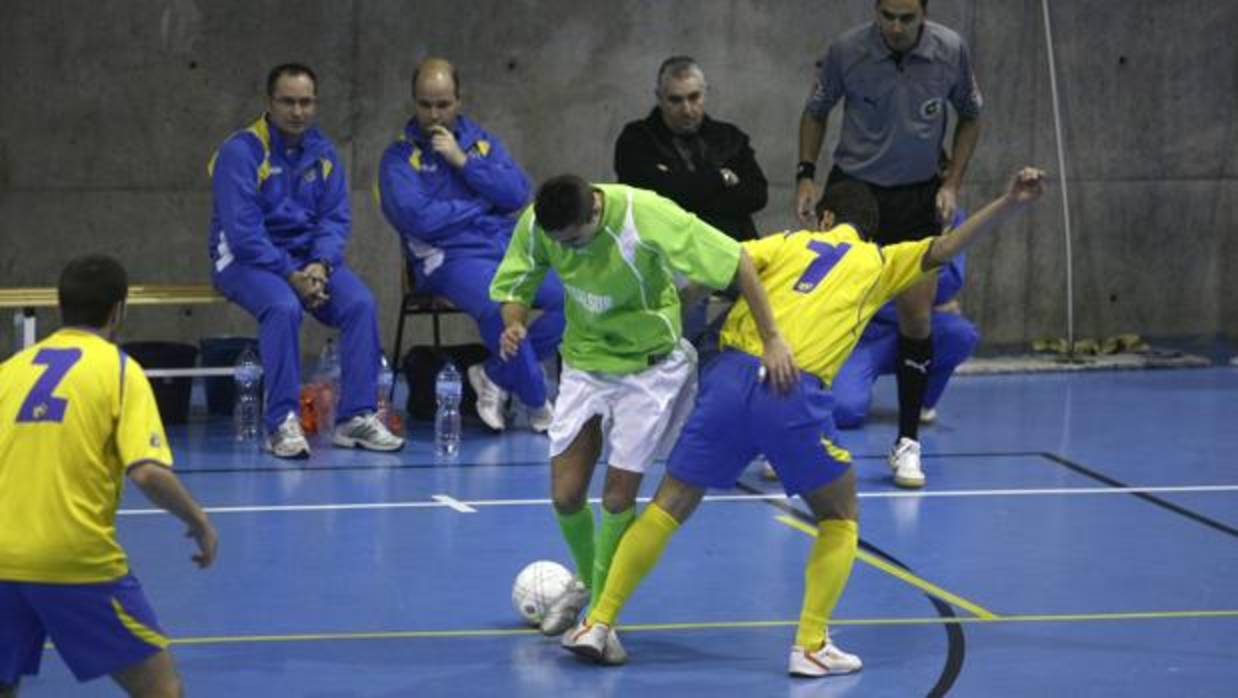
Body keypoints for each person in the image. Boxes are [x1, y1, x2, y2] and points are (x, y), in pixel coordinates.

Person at [562, 167, 1045, 674]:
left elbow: (714, 272)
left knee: (669, 504)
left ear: (826, 217)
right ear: (867, 228)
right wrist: (1010, 200)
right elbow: (944, 250)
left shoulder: (786, 242)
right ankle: (811, 645)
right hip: (791, 388)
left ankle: (598, 621)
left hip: (726, 378)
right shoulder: (880, 260)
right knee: (840, 516)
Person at [490, 175, 795, 649]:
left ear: (593, 210)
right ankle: (591, 584)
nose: (566, 252)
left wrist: (773, 337)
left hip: (649, 371)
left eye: (573, 241)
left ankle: (598, 614)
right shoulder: (540, 222)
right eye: (558, 244)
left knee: (616, 498)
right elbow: (517, 281)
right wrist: (513, 324)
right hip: (586, 363)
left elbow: (738, 260)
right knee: (566, 494)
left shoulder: (647, 214)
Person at [0, 255, 219, 697]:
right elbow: (147, 472)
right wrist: (199, 522)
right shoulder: (120, 370)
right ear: (118, 311)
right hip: (74, 560)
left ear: (61, 308)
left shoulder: (10, 371)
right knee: (161, 688)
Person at [794, 0, 983, 487]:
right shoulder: (846, 51)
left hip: (916, 196)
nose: (896, 28)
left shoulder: (950, 51)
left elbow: (970, 116)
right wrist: (805, 177)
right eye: (887, 17)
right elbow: (815, 111)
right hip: (853, 190)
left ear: (924, 15)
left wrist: (952, 185)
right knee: (820, 309)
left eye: (907, 18)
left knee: (916, 315)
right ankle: (797, 434)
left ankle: (906, 444)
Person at [209, 63, 404, 458]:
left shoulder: (323, 152)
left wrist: (320, 265)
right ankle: (281, 423)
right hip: (246, 261)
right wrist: (290, 274)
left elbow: (335, 219)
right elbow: (245, 234)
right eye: (288, 102)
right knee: (282, 307)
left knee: (360, 304)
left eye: (306, 102)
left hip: (306, 263)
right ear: (269, 103)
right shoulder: (241, 151)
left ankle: (356, 418)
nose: (297, 112)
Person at [378, 57, 563, 433]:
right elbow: (419, 220)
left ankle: (493, 374)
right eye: (425, 104)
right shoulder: (398, 158)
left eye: (443, 104)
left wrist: (464, 163)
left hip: (502, 247)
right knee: (501, 306)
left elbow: (516, 194)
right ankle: (537, 404)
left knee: (572, 297)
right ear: (414, 103)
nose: (434, 115)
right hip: (446, 260)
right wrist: (481, 203)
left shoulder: (479, 143)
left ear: (459, 100)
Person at [614, 56, 768, 358]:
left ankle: (715, 358)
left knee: (774, 297)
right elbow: (655, 197)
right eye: (676, 100)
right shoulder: (635, 139)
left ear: (705, 93)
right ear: (659, 98)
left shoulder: (730, 137)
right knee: (683, 306)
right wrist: (719, 178)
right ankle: (690, 365)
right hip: (670, 255)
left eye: (694, 97)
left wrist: (685, 189)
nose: (687, 109)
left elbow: (756, 195)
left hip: (732, 246)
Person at [831, 253, 978, 437]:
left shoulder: (949, 225)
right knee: (844, 412)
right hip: (859, 333)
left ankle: (920, 401)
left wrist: (921, 304)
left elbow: (948, 284)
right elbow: (859, 283)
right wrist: (922, 303)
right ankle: (847, 383)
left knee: (959, 335)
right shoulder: (865, 228)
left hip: (913, 326)